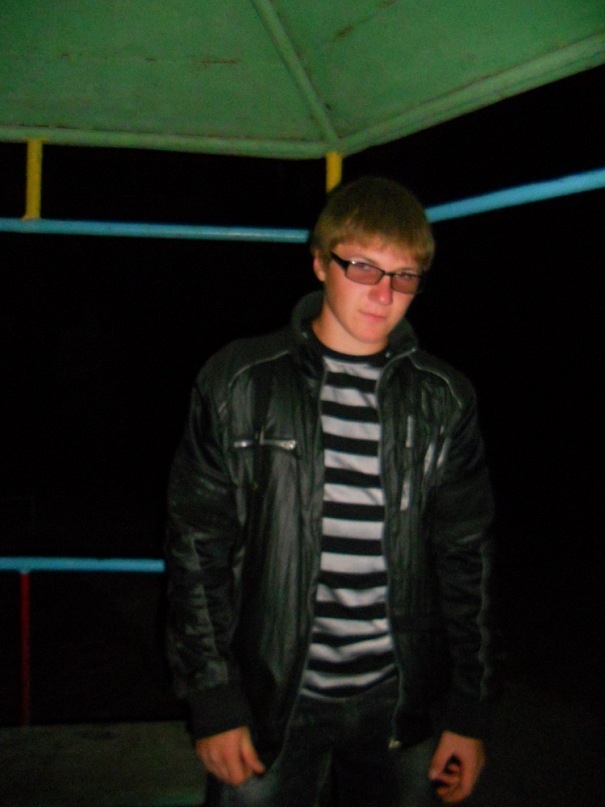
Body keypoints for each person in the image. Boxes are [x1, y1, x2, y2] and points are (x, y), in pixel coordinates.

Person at [165, 176, 496, 806]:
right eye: (363, 267)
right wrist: (213, 697)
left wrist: (469, 709)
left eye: (404, 276)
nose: (384, 294)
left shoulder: (445, 398)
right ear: (320, 262)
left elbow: (468, 560)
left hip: (401, 706)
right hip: (269, 703)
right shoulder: (239, 381)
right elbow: (196, 550)